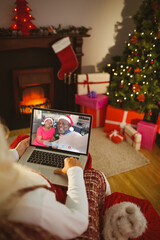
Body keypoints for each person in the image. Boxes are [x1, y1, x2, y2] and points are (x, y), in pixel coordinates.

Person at [0, 122, 111, 239]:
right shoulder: (31, 201)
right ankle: (105, 201)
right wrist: (74, 170)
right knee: (93, 173)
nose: (61, 126)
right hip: (58, 201)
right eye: (60, 125)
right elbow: (78, 222)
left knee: (23, 139)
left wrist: (16, 153)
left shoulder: (72, 135)